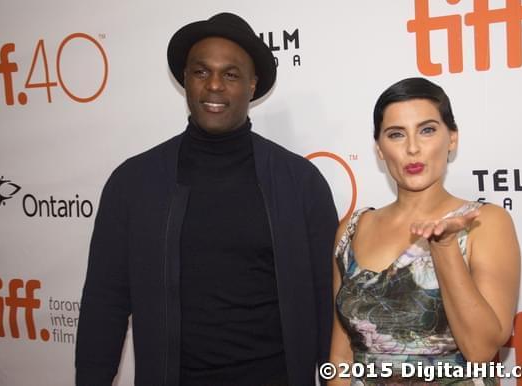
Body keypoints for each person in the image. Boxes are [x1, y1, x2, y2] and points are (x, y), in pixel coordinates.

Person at [75, 13, 338, 386]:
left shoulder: (299, 183)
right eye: (201, 72)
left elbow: (328, 302)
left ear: (252, 84)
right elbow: (105, 302)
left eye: (231, 74)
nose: (214, 85)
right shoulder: (132, 183)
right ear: (185, 79)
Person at [328, 77, 520, 385]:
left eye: (427, 130)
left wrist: (444, 249)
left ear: (452, 138)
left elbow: (481, 350)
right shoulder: (352, 229)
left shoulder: (485, 222)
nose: (413, 148)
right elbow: (340, 358)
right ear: (379, 148)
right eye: (396, 134)